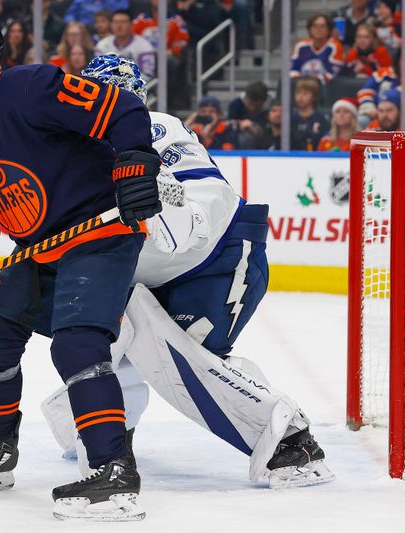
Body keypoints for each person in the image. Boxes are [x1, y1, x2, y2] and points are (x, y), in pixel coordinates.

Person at [41, 54, 334, 490]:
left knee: (182, 358)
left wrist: (163, 204)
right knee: (110, 335)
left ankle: (292, 441)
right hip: (152, 275)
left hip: (218, 262)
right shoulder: (77, 152)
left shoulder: (155, 127)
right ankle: (103, 434)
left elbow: (204, 198)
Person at [0, 16, 161, 521]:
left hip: (99, 233)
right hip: (37, 246)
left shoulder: (32, 88)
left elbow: (122, 108)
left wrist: (134, 164)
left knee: (78, 342)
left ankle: (113, 470)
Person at [95, 10, 156, 79]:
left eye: (123, 22)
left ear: (131, 25)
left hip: (136, 87)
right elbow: (98, 72)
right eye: (116, 22)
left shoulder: (144, 47)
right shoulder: (102, 46)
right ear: (111, 25)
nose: (119, 26)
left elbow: (148, 76)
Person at [289, 13, 344, 84]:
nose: (318, 29)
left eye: (322, 26)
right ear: (310, 29)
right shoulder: (301, 46)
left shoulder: (335, 47)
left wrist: (311, 80)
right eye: (315, 26)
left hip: (325, 87)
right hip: (301, 85)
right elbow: (292, 70)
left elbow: (331, 74)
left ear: (329, 30)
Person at [227, 81, 269, 149]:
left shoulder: (268, 111)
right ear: (246, 98)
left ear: (263, 102)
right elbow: (229, 124)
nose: (253, 108)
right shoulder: (236, 105)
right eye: (250, 104)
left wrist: (255, 128)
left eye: (257, 105)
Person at [290, 77, 329, 151]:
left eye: (305, 94)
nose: (300, 97)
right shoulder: (291, 119)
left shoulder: (321, 119)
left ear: (314, 97)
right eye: (298, 93)